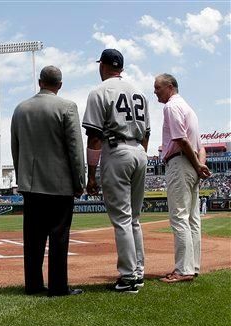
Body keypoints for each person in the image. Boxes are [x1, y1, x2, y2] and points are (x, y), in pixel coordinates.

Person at [11, 65, 85, 297]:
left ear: (40, 81)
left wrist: (22, 176)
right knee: (59, 235)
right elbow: (75, 149)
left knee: (33, 237)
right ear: (59, 85)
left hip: (31, 183)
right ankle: (58, 286)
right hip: (60, 184)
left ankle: (33, 284)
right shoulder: (67, 107)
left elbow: (16, 148)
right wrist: (79, 181)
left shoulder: (21, 109)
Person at [82, 49, 150, 294]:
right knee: (134, 219)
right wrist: (139, 154)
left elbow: (93, 137)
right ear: (120, 67)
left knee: (122, 219)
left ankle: (128, 277)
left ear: (102, 66)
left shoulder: (99, 91)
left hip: (116, 150)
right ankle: (138, 272)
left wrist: (91, 174)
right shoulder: (139, 91)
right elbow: (147, 132)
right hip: (139, 151)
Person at [154, 73, 211, 283]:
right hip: (191, 163)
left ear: (170, 86)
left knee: (179, 216)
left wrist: (197, 164)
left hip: (180, 162)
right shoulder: (189, 109)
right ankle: (193, 267)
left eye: (157, 88)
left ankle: (183, 270)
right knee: (193, 219)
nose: (155, 92)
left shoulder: (171, 106)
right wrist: (200, 164)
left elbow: (180, 138)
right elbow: (200, 146)